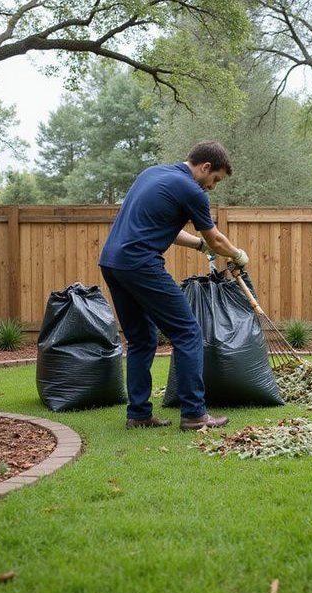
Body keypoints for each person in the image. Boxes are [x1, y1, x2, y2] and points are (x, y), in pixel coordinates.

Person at [99, 141, 249, 431]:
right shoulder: (192, 190)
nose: (213, 186)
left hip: (112, 263)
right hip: (140, 263)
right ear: (205, 167)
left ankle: (139, 413)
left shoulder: (152, 174)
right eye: (215, 179)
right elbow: (217, 239)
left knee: (142, 339)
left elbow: (161, 227)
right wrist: (238, 254)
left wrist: (197, 244)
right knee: (188, 332)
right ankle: (195, 414)